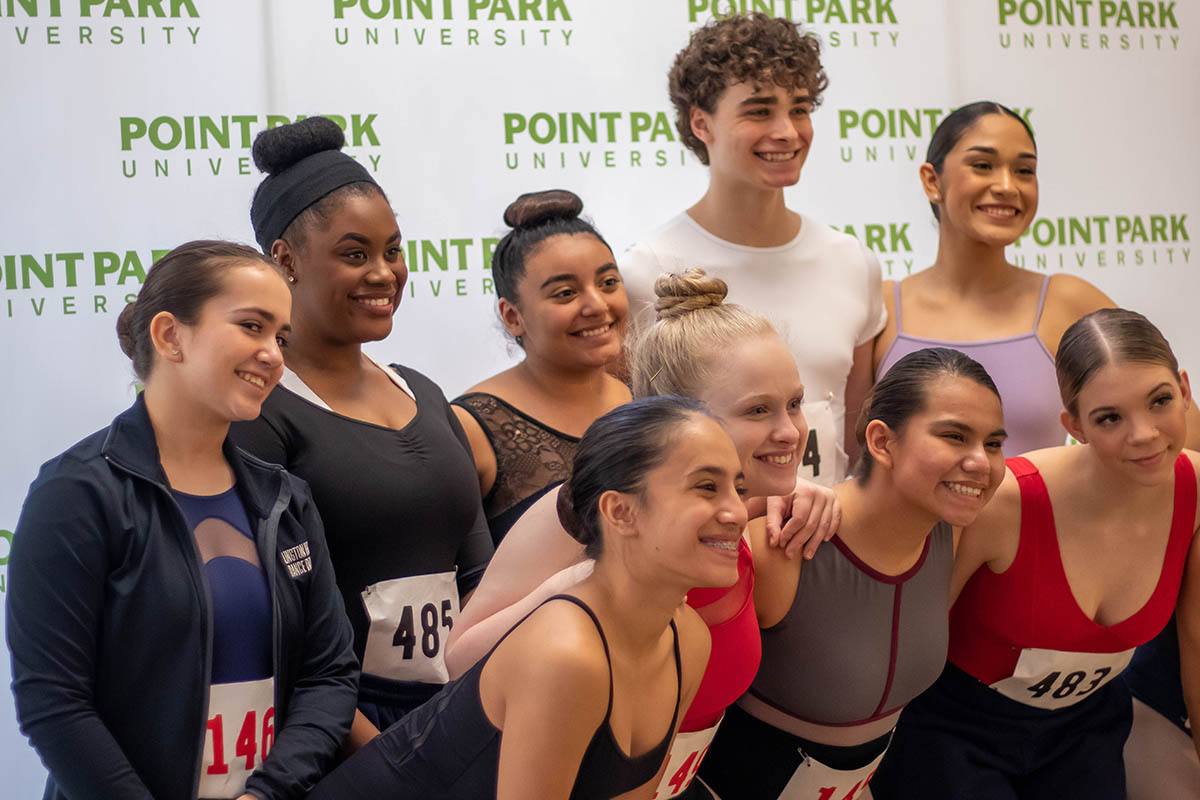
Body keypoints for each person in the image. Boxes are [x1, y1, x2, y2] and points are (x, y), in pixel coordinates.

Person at [448, 271, 829, 799]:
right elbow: (461, 659)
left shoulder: (754, 509)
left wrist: (806, 493)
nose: (790, 430)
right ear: (678, 415)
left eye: (795, 403)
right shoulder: (585, 515)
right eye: (758, 410)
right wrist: (589, 582)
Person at [7, 241, 358, 800]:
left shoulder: (285, 498)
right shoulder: (78, 493)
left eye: (281, 337)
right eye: (251, 326)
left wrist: (266, 792)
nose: (273, 354)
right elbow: (55, 702)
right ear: (171, 335)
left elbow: (329, 675)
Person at [307, 396, 736, 799]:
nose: (736, 511)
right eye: (706, 487)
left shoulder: (690, 639)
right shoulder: (565, 654)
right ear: (620, 512)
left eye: (737, 487)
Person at [230, 117, 494, 747]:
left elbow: (480, 570)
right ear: (285, 260)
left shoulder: (423, 391)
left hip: (451, 705)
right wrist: (370, 750)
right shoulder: (258, 411)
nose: (384, 273)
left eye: (393, 250)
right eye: (355, 255)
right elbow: (265, 621)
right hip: (330, 726)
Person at [871, 308, 1200, 800]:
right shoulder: (1006, 502)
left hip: (1088, 729)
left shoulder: (1196, 493)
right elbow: (901, 649)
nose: (1145, 434)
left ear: (1185, 388)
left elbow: (1197, 644)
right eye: (1110, 417)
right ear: (1075, 425)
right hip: (954, 730)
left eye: (1159, 401)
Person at [699, 347, 1008, 799]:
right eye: (954, 436)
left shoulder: (959, 528)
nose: (981, 462)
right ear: (882, 442)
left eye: (994, 443)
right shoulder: (782, 541)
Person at [622, 12, 886, 483]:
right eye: (759, 110)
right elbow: (634, 446)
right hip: (709, 544)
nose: (787, 131)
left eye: (800, 109)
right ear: (701, 123)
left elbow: (856, 442)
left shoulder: (852, 262)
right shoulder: (645, 270)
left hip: (831, 541)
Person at [873, 101, 1116, 454]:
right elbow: (849, 459)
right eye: (983, 165)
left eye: (1024, 171)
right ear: (931, 181)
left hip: (1041, 512)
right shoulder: (880, 308)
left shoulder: (1069, 302)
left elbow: (1175, 426)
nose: (1007, 186)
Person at [452, 189, 631, 546]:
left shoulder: (643, 397)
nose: (596, 304)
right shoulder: (472, 426)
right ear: (512, 316)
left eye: (608, 283)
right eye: (565, 293)